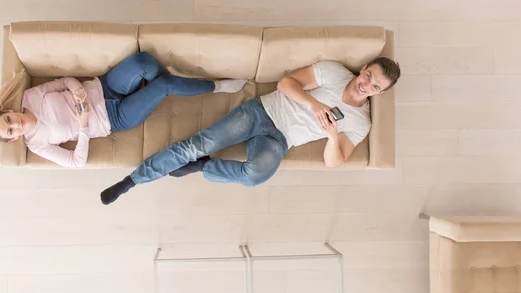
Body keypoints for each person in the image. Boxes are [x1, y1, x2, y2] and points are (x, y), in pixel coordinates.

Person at [100, 57, 401, 205]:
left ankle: (204, 168)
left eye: (375, 86)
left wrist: (334, 135)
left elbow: (335, 162)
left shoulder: (360, 121)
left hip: (280, 139)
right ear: (364, 68)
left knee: (255, 175)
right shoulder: (334, 72)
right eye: (369, 75)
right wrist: (313, 105)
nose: (366, 84)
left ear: (380, 93)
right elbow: (285, 84)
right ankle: (133, 180)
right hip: (261, 112)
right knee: (197, 143)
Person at [0, 52, 248, 167]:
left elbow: (63, 81)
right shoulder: (37, 144)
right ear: (14, 138)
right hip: (114, 118)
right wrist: (84, 126)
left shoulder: (30, 96)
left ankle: (155, 82)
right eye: (11, 131)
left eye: (8, 119)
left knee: (144, 62)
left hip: (104, 87)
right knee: (166, 84)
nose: (16, 124)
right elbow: (76, 162)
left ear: (8, 110)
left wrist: (75, 87)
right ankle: (218, 87)